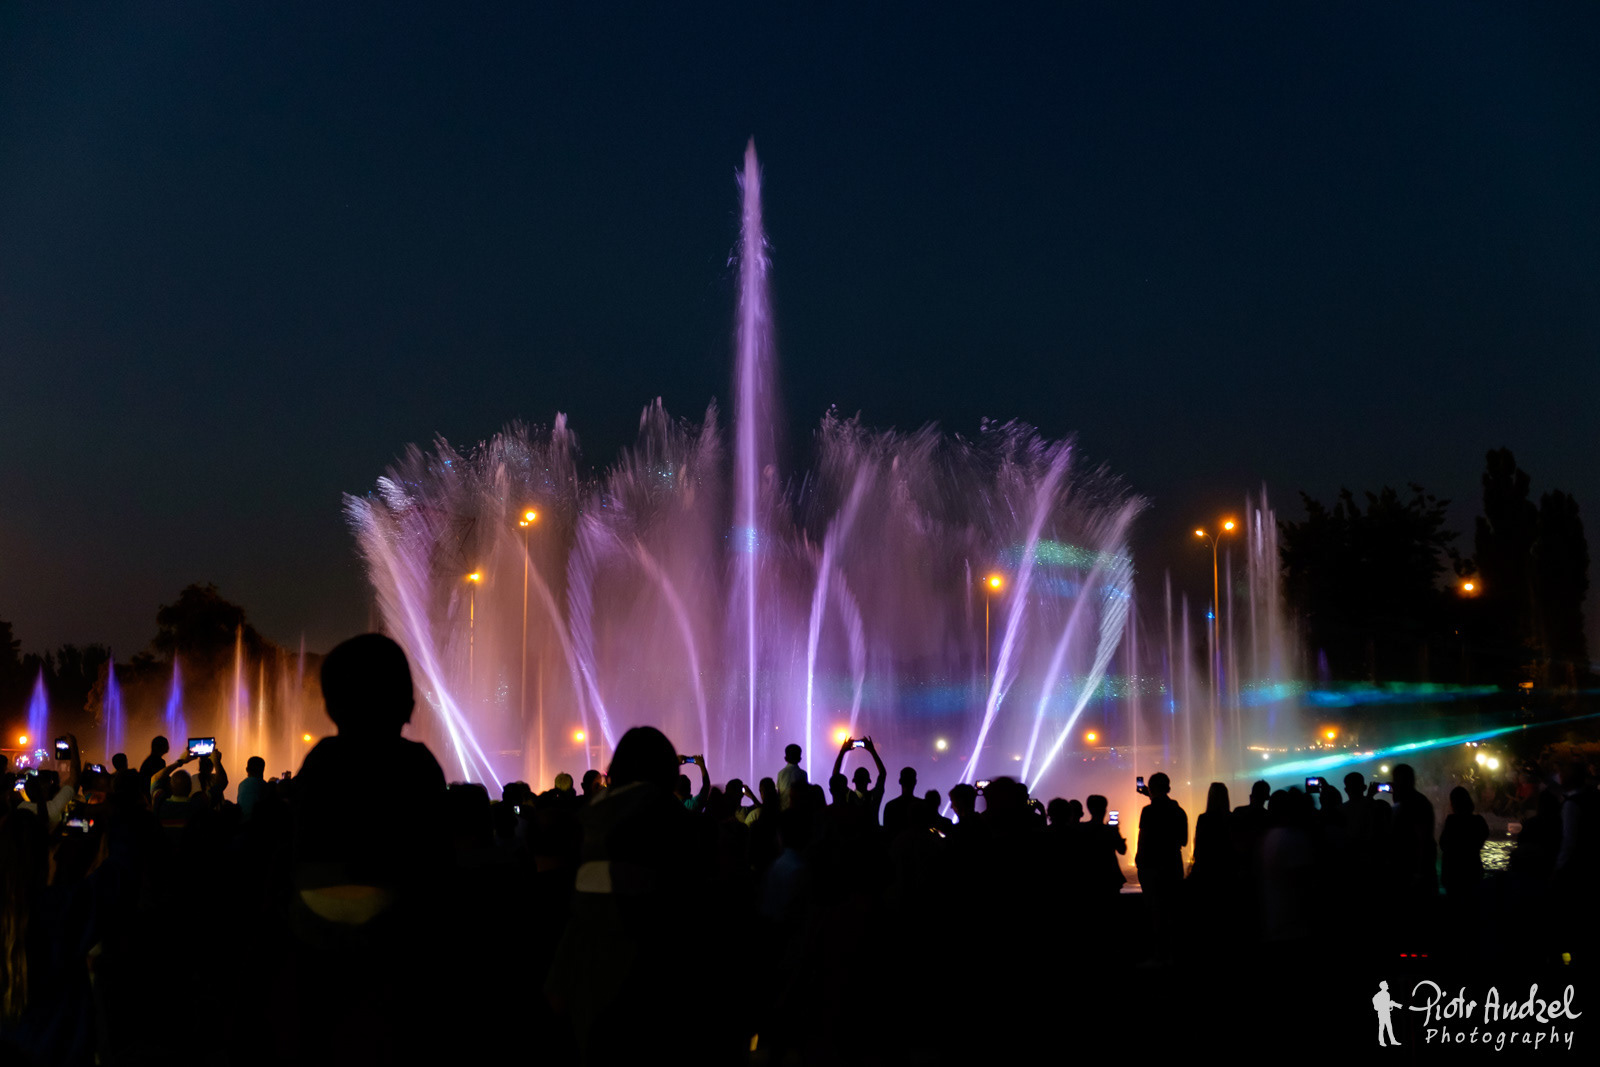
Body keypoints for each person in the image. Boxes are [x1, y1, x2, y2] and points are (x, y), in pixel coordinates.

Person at [1439, 785, 1488, 897]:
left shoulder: (1452, 821)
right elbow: (1483, 837)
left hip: (1453, 872)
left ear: (1453, 803)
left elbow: (1443, 844)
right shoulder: (1479, 821)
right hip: (1472, 870)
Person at [831, 736, 886, 825]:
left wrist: (842, 751)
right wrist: (872, 751)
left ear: (853, 780)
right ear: (869, 780)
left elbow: (835, 778)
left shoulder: (848, 796)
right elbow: (882, 774)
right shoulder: (874, 796)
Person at [882, 766, 922, 839]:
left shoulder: (890, 806)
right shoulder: (922, 806)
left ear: (900, 781)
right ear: (915, 782)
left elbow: (887, 834)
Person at [777, 744, 806, 808]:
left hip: (783, 812)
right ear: (800, 758)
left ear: (785, 758)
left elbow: (779, 793)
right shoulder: (803, 774)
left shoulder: (780, 774)